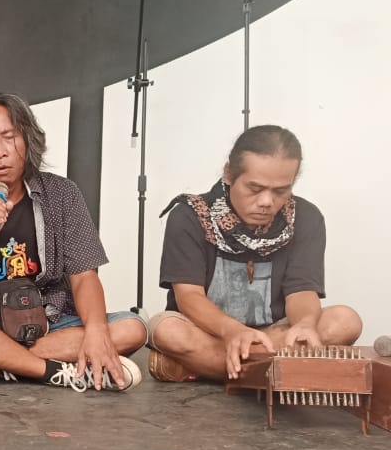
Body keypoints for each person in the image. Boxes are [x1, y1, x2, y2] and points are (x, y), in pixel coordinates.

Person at [0, 93, 146, 392]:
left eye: (9, 137)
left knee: (133, 328)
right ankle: (53, 371)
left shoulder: (62, 194)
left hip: (52, 325)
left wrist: (96, 330)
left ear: (27, 139)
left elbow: (84, 277)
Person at [148, 124, 362, 381]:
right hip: (211, 332)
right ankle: (271, 369)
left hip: (274, 333)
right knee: (166, 330)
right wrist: (233, 331)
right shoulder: (189, 216)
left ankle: (208, 368)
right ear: (229, 173)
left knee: (346, 321)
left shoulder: (306, 217)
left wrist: (305, 324)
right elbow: (189, 296)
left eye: (280, 191)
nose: (266, 202)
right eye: (255, 188)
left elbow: (302, 291)